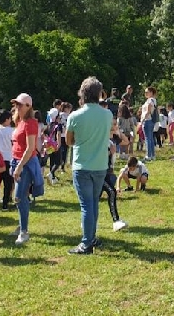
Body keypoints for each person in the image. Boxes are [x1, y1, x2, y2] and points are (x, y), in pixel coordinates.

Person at [66, 77, 113, 255]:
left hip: (82, 165)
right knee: (93, 203)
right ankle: (91, 238)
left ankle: (86, 243)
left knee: (87, 205)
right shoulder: (107, 114)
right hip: (100, 165)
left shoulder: (75, 116)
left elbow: (69, 141)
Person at [10, 92, 43, 246]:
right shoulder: (20, 122)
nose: (16, 107)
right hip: (16, 161)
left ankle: (24, 231)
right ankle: (22, 225)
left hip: (25, 164)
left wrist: (19, 167)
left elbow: (30, 149)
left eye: (19, 104)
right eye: (15, 104)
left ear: (28, 106)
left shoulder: (31, 123)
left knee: (19, 197)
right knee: (19, 197)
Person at [0, 109, 14, 210]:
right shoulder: (11, 131)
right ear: (7, 119)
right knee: (7, 183)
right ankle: (5, 203)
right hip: (8, 158)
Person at [141, 87, 158, 161]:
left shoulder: (149, 101)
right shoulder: (153, 100)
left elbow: (148, 111)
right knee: (150, 138)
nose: (145, 94)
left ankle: (148, 155)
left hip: (147, 120)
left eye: (147, 92)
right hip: (151, 120)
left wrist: (143, 119)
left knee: (148, 138)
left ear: (151, 93)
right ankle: (152, 155)